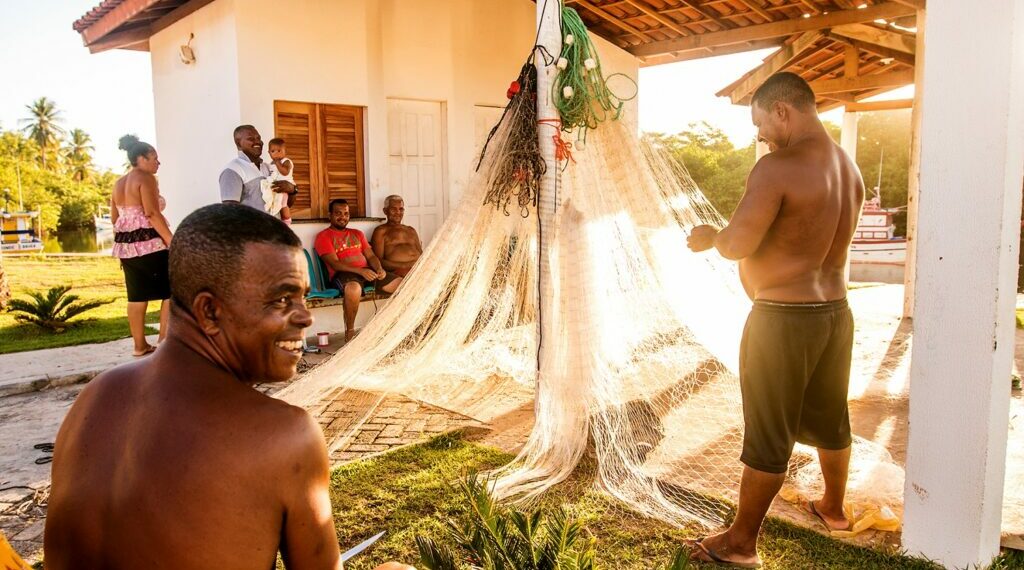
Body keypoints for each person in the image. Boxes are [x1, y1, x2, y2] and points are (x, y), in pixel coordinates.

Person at [44, 204, 415, 570]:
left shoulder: (97, 395)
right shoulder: (284, 434)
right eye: (282, 300)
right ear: (209, 311)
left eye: (303, 297)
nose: (305, 317)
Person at [685, 72, 865, 569]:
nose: (762, 137)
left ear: (782, 110)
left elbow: (738, 243)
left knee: (768, 431)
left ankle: (741, 544)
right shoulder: (849, 168)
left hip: (784, 320)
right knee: (831, 416)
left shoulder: (776, 167)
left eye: (761, 124)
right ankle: (833, 508)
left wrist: (711, 236)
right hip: (835, 313)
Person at [111, 134, 173, 357]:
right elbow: (152, 213)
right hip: (150, 244)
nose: (158, 163)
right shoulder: (146, 178)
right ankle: (164, 342)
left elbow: (114, 218)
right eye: (154, 158)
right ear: (141, 159)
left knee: (136, 295)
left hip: (126, 246)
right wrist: (172, 241)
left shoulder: (118, 183)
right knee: (172, 291)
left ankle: (139, 346)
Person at [315, 199, 402, 342]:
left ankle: (395, 326)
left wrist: (379, 269)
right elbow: (335, 264)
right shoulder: (324, 236)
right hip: (343, 275)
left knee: (402, 284)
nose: (343, 217)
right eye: (338, 213)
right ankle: (350, 333)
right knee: (354, 289)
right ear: (330, 215)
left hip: (367, 272)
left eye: (346, 214)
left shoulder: (357, 233)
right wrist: (360, 271)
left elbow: (371, 256)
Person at [220, 124, 297, 216]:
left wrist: (293, 190)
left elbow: (286, 204)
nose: (257, 142)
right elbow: (229, 213)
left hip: (275, 225)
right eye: (251, 139)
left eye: (258, 138)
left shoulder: (270, 168)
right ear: (238, 143)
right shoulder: (233, 170)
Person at [371, 195, 423, 278]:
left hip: (419, 269)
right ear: (385, 211)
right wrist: (406, 265)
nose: (398, 212)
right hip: (399, 271)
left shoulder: (411, 230)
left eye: (401, 209)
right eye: (393, 209)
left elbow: (422, 254)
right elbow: (378, 261)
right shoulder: (381, 231)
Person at [264, 137, 294, 225]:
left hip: (285, 186)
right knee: (275, 203)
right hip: (276, 186)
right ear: (269, 153)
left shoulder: (286, 161)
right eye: (273, 151)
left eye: (279, 151)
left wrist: (278, 163)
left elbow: (285, 172)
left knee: (283, 204)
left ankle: (287, 220)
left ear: (285, 151)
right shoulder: (271, 164)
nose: (276, 153)